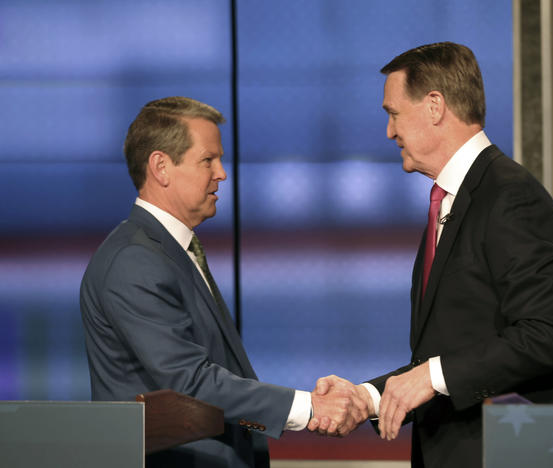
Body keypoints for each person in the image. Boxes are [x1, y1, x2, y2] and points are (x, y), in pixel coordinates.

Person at [313, 42, 553, 467]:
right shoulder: (451, 200)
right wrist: (368, 397)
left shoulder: (510, 196)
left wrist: (432, 378)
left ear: (435, 106)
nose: (389, 131)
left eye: (393, 113)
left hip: (510, 452)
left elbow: (548, 335)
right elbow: (449, 349)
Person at [80, 96, 367, 468]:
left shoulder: (171, 249)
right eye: (207, 160)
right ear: (161, 167)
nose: (222, 173)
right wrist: (309, 406)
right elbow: (192, 383)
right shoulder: (134, 261)